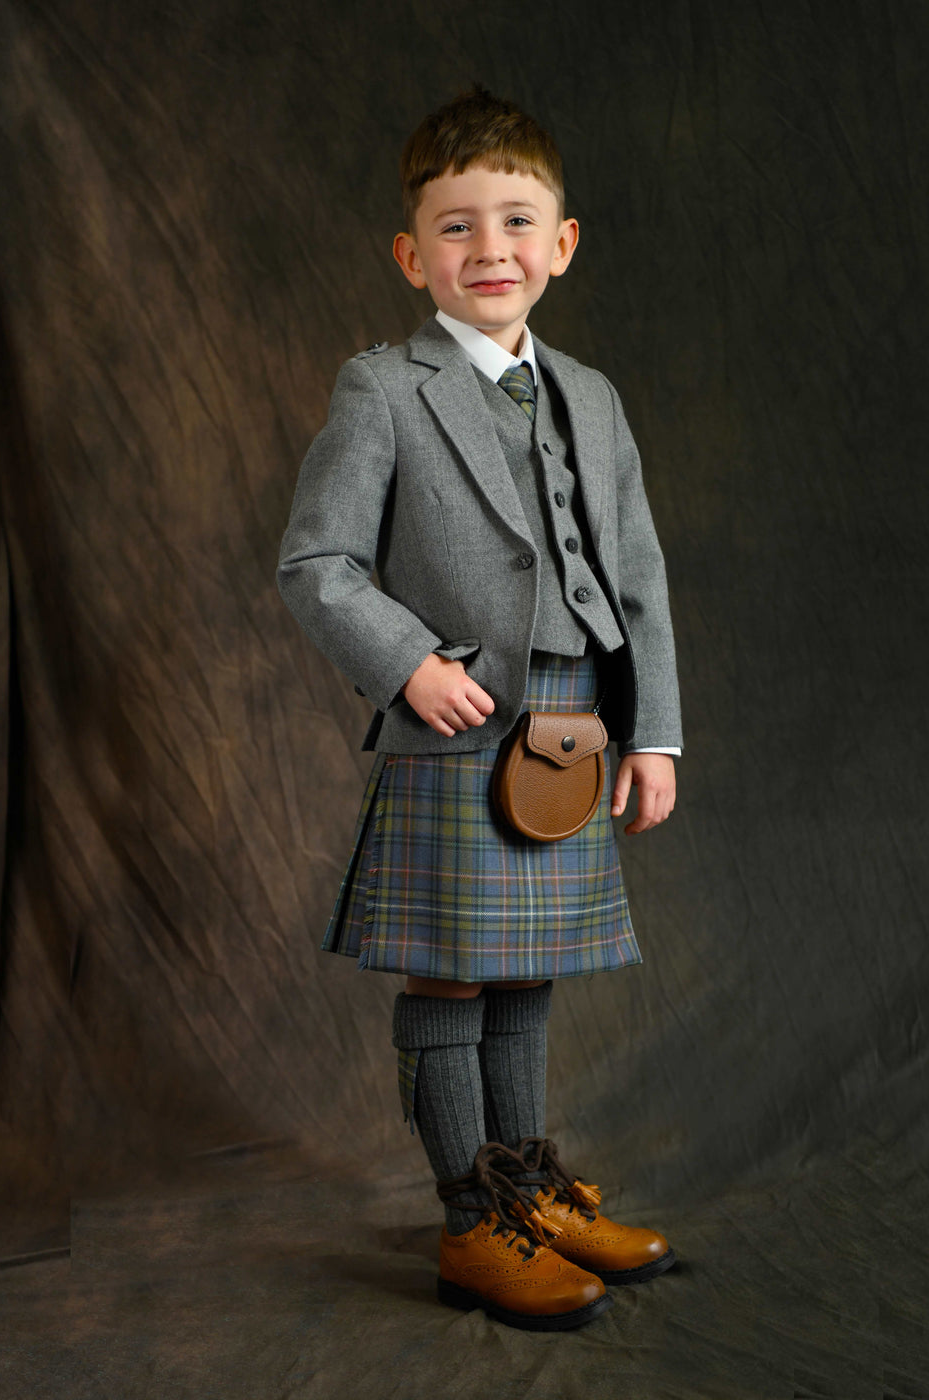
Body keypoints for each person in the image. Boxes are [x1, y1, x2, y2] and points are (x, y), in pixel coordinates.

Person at [277, 87, 683, 1332]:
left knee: (527, 967)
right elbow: (316, 561)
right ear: (413, 256)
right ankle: (470, 1222)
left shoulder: (593, 397)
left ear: (561, 244)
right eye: (456, 227)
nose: (489, 248)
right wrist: (408, 662)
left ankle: (530, 1191)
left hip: (574, 726)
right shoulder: (381, 386)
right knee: (454, 973)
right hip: (456, 724)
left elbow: (637, 575)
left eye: (515, 222)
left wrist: (653, 731)